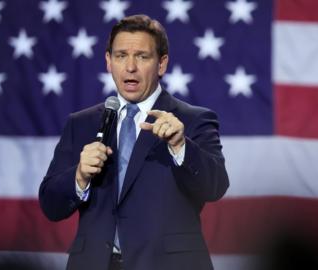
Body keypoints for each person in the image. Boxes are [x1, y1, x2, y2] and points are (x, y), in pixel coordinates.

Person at [39, 14, 229, 270]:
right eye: (120, 56)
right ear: (108, 62)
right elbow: (51, 205)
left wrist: (180, 146)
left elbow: (215, 187)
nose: (130, 67)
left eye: (142, 56)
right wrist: (80, 176)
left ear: (161, 64)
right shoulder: (81, 123)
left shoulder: (192, 120)